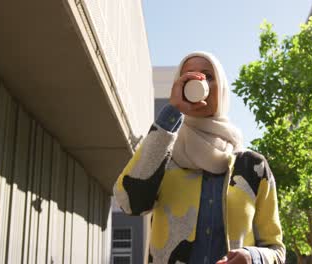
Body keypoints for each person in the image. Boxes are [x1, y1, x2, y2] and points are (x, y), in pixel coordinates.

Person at [113, 51, 285, 264]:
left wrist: (252, 258)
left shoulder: (253, 167)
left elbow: (276, 249)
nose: (198, 82)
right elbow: (129, 202)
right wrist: (172, 112)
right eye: (188, 77)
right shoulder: (163, 153)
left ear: (221, 88)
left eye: (207, 76)